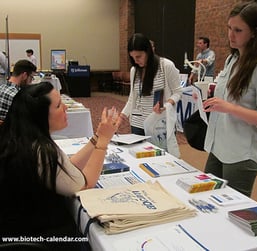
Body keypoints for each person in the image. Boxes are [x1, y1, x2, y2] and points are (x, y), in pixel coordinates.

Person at [0, 81, 120, 250]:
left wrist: (96, 138)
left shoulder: (23, 138)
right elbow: (84, 185)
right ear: (41, 116)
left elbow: (64, 169)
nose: (65, 108)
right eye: (58, 106)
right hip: (41, 235)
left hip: (17, 227)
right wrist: (103, 142)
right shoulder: (40, 150)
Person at [202, 1, 257, 197]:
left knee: (231, 212)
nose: (230, 35)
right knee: (205, 200)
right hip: (219, 145)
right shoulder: (233, 59)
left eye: (238, 30)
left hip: (242, 153)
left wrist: (229, 108)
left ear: (255, 32)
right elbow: (229, 96)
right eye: (229, 28)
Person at [119, 33, 182, 156]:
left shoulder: (166, 66)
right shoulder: (134, 70)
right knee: (138, 159)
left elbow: (178, 92)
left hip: (159, 124)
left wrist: (167, 104)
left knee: (162, 158)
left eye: (139, 56)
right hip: (137, 123)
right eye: (132, 57)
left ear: (148, 51)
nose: (136, 61)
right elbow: (132, 98)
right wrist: (121, 118)